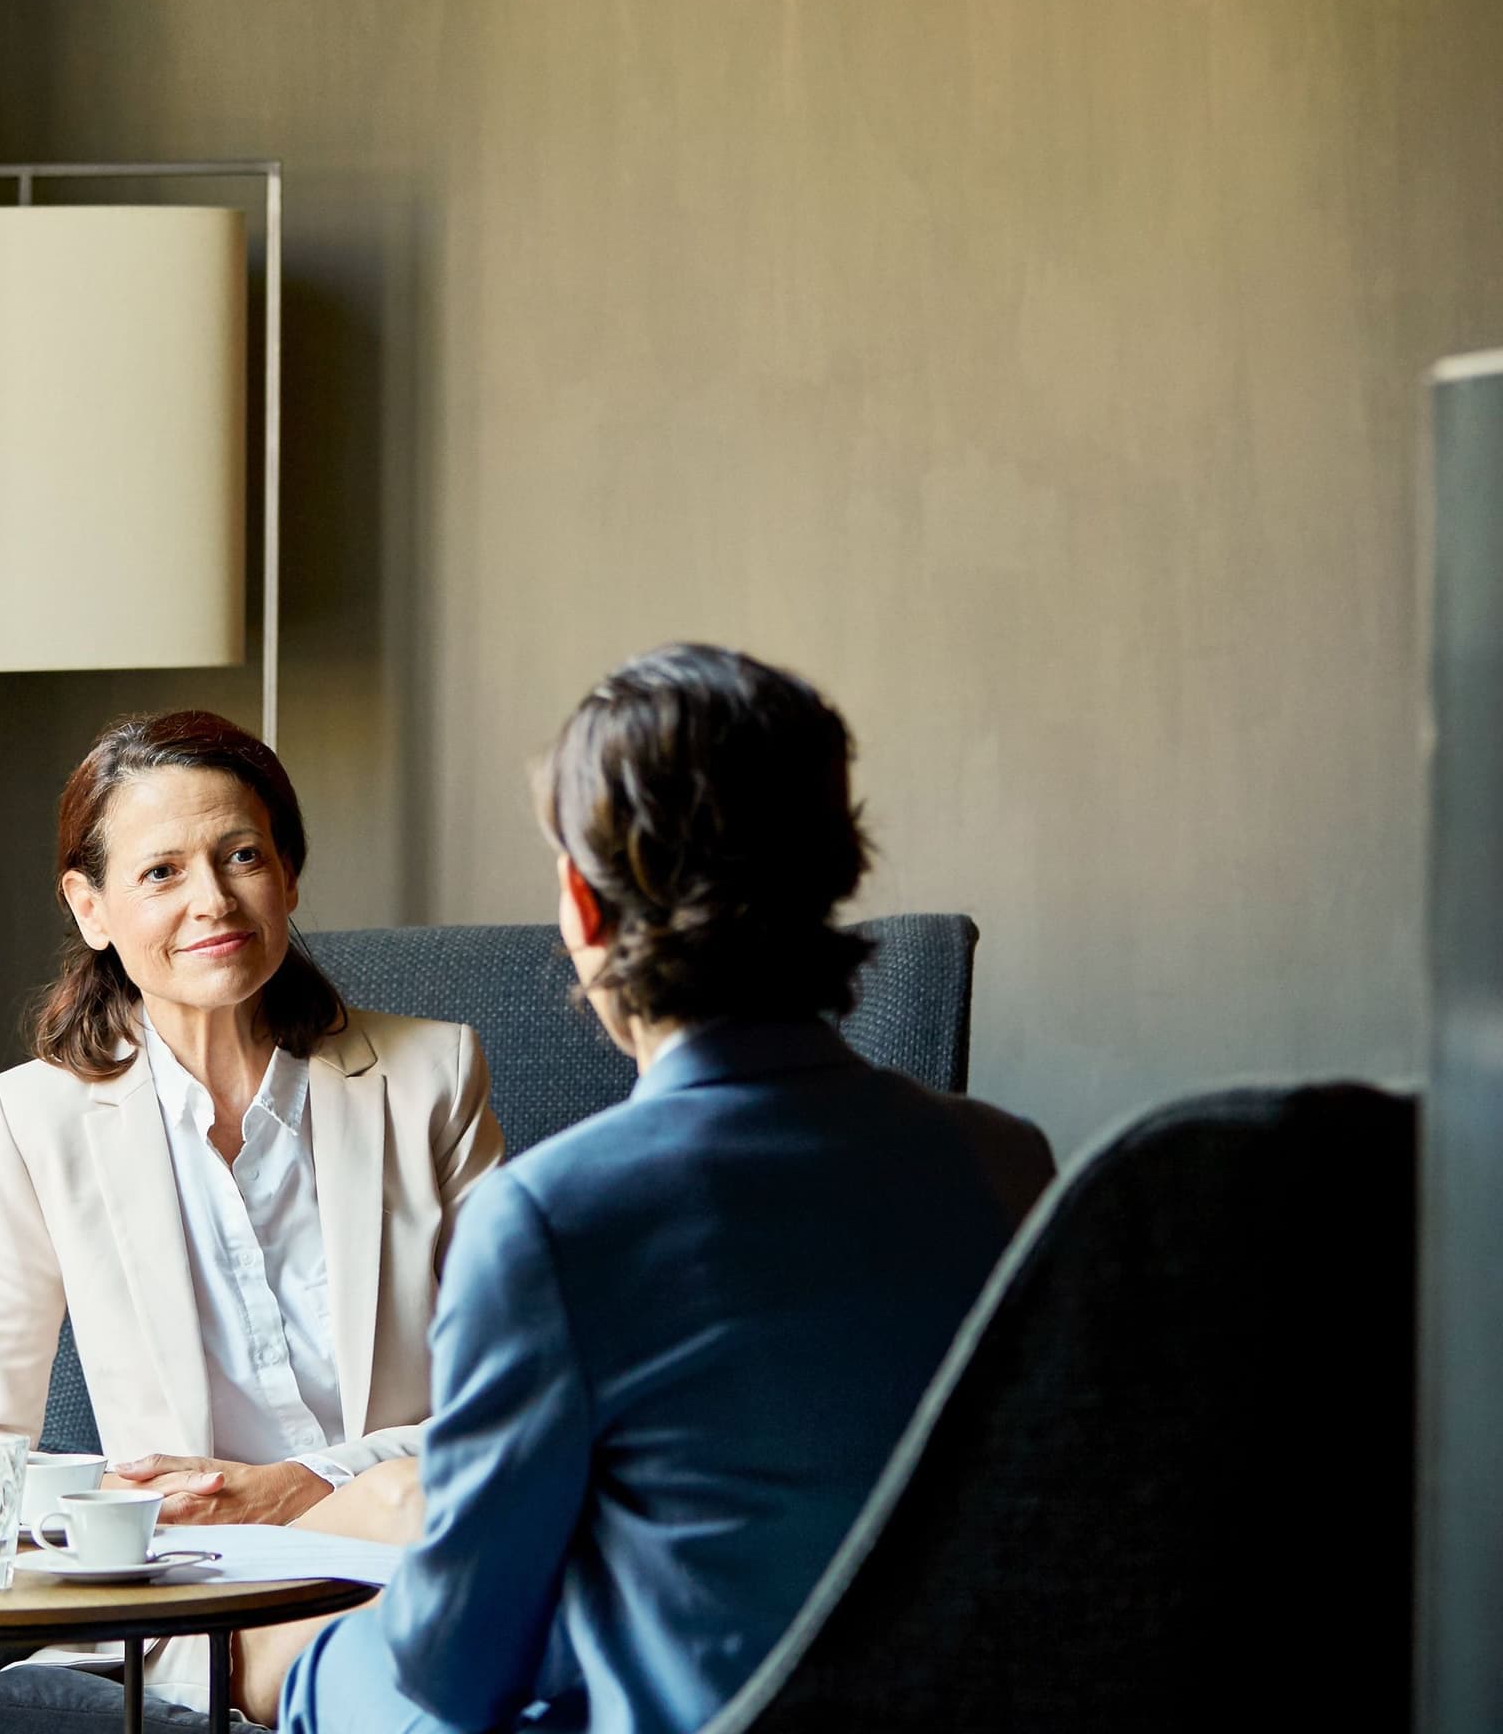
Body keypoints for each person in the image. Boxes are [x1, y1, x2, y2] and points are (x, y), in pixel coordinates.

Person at [266, 643, 1055, 1734]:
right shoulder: (1009, 1162)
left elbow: (456, 1671)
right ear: (832, 877)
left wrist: (304, 1661)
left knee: (313, 1674)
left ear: (585, 911)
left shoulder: (546, 1219)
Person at [0, 709, 502, 1710]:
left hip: (425, 1531)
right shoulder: (35, 1119)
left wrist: (308, 1485)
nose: (213, 900)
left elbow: (509, 1392)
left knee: (418, 1511)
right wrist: (114, 1506)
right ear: (90, 906)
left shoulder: (431, 1075)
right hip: (198, 1589)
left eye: (241, 855)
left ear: (288, 874)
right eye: (161, 872)